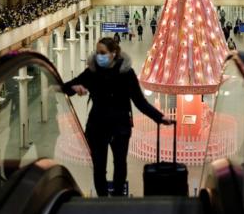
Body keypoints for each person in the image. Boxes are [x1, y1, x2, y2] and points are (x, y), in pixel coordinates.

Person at [63, 37, 173, 196]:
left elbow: (140, 102)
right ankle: (102, 199)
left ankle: (118, 198)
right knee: (99, 167)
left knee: (120, 165)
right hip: (97, 127)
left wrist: (159, 117)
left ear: (113, 53)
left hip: (120, 127)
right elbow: (66, 87)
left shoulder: (126, 73)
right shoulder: (92, 72)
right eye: (97, 52)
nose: (98, 56)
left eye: (102, 53)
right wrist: (75, 86)